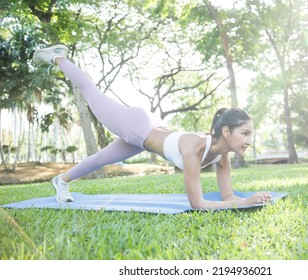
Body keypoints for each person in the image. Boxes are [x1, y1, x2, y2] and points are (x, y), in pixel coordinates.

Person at [32, 45, 272, 210]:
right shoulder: (194, 149)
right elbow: (198, 204)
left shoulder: (222, 156)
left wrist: (246, 200)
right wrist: (245, 203)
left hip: (151, 129)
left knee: (100, 159)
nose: (250, 140)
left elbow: (228, 196)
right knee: (91, 92)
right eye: (245, 133)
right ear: (227, 133)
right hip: (136, 126)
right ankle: (58, 57)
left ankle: (61, 181)